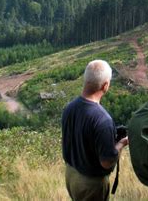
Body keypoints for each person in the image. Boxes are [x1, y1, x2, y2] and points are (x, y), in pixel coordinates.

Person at [62, 59, 129, 201]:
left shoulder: (69, 108)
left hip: (71, 174)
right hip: (91, 183)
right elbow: (107, 161)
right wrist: (121, 143)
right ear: (105, 85)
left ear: (85, 80)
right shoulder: (103, 119)